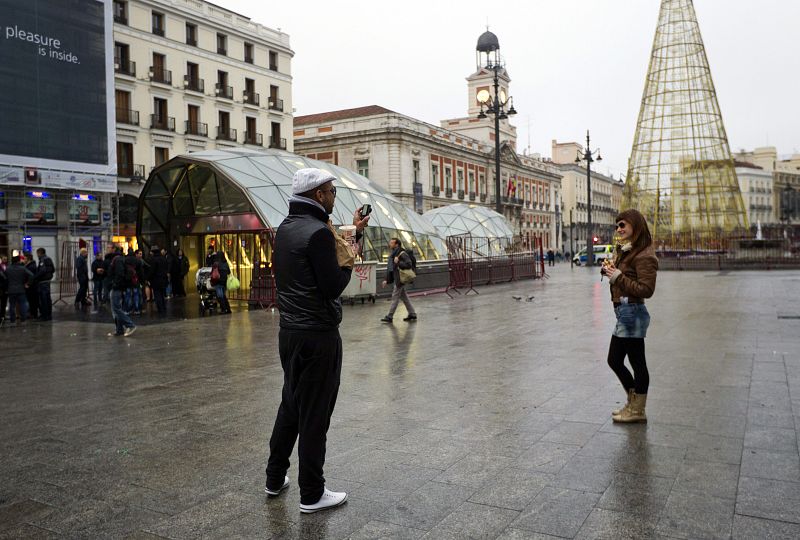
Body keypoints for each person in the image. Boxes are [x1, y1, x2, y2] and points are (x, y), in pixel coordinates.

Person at [265, 168, 369, 514]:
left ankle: (274, 477)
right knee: (314, 414)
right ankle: (312, 493)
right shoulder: (319, 233)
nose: (334, 197)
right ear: (318, 195)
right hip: (318, 336)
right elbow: (333, 285)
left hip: (290, 333)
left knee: (291, 405)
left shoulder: (286, 228)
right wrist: (350, 260)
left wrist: (355, 232)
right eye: (331, 191)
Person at [600, 209, 658, 423]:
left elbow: (646, 290)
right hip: (624, 312)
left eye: (623, 224)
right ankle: (634, 405)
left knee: (632, 362)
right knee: (618, 360)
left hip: (632, 312)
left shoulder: (644, 254)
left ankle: (637, 409)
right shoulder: (629, 250)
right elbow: (624, 277)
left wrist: (617, 276)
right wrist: (610, 270)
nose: (619, 229)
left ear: (635, 224)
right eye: (617, 226)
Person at [380, 238, 417, 323]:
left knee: (395, 297)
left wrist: (398, 263)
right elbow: (391, 269)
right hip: (398, 278)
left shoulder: (401, 253)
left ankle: (390, 316)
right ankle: (412, 313)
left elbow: (409, 264)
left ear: (396, 244)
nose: (390, 244)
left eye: (391, 243)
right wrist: (387, 280)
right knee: (404, 297)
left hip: (400, 279)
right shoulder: (394, 253)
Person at [108, 246, 136, 337]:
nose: (108, 249)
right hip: (119, 286)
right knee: (116, 308)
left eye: (109, 247)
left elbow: (119, 274)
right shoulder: (119, 258)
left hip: (117, 287)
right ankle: (119, 329)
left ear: (114, 249)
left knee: (116, 308)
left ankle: (130, 325)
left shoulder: (117, 259)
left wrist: (115, 284)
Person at [5, 255, 33, 325]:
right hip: (21, 289)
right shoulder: (23, 268)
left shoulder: (8, 268)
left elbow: (5, 278)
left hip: (11, 289)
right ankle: (23, 319)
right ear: (18, 261)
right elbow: (31, 275)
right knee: (22, 304)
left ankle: (12, 320)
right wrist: (28, 284)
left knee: (12, 305)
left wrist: (6, 287)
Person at [35, 247, 55, 321]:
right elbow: (53, 269)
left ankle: (44, 316)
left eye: (37, 253)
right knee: (48, 299)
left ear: (40, 253)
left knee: (43, 300)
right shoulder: (49, 259)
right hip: (47, 281)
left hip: (42, 282)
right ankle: (49, 315)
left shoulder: (42, 260)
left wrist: (36, 276)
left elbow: (42, 270)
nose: (37, 255)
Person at [149, 246, 169, 315]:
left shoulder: (153, 259)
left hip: (156, 280)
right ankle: (164, 307)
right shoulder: (163, 258)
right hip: (163, 279)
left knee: (157, 295)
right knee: (162, 294)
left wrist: (148, 277)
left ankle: (160, 309)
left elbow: (152, 271)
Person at [23, 252, 39, 318]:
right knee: (31, 300)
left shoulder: (31, 266)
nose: (24, 260)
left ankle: (33, 314)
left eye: (25, 259)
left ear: (28, 259)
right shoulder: (29, 265)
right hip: (31, 286)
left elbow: (31, 276)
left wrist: (28, 284)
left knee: (32, 300)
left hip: (32, 287)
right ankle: (32, 313)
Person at [0, 256, 8, 326]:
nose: (5, 260)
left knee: (4, 302)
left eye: (6, 259)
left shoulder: (8, 266)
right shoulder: (0, 266)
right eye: (4, 259)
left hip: (6, 287)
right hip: (1, 287)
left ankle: (3, 315)